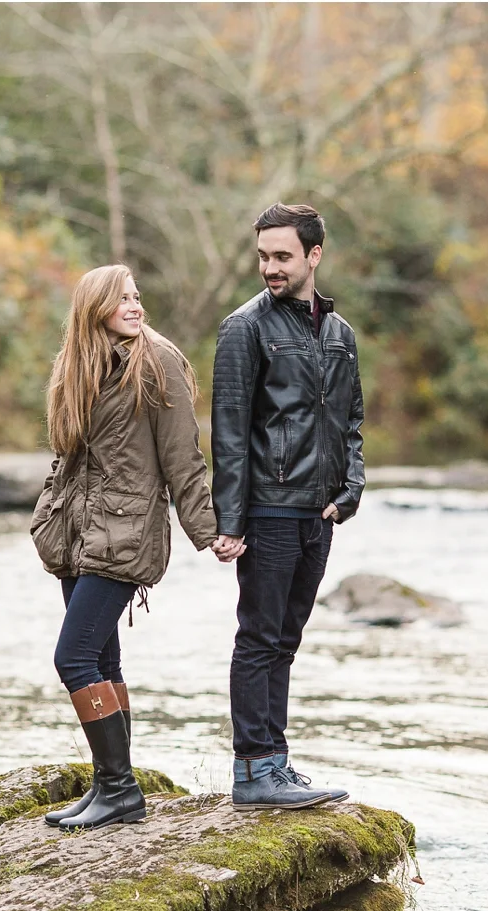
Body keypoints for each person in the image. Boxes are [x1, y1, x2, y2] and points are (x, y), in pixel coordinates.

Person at [31, 263, 227, 831]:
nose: (136, 306)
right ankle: (109, 786)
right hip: (75, 531)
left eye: (137, 296)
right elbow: (68, 455)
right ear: (94, 309)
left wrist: (208, 531)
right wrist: (49, 512)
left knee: (72, 658)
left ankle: (120, 788)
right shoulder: (78, 364)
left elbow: (183, 456)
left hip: (124, 533)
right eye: (123, 298)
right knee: (102, 660)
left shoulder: (157, 362)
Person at [210, 202, 366, 811]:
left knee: (286, 641)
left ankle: (275, 762)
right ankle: (252, 770)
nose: (270, 267)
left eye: (282, 256)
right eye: (263, 257)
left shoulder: (340, 334)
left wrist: (350, 491)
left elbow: (351, 423)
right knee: (259, 639)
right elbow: (228, 432)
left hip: (319, 513)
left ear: (314, 255)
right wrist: (230, 522)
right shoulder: (244, 328)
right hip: (269, 509)